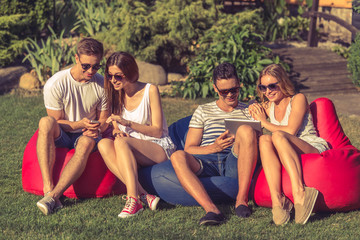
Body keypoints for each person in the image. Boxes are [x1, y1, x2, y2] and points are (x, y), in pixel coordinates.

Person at [170, 62, 258, 226]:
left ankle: (241, 200)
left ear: (240, 85)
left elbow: (256, 144)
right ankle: (212, 210)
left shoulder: (249, 110)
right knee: (177, 156)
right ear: (215, 89)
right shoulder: (203, 110)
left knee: (246, 130)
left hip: (234, 159)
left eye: (234, 89)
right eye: (224, 91)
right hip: (206, 160)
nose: (230, 94)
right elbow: (189, 148)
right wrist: (214, 147)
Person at [97, 51, 176, 218]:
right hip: (131, 146)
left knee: (121, 144)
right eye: (110, 75)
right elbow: (117, 127)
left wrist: (127, 124)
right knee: (103, 144)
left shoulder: (150, 90)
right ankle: (143, 195)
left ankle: (133, 199)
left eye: (118, 76)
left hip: (158, 146)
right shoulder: (115, 93)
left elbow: (157, 130)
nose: (113, 80)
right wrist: (118, 130)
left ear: (131, 72)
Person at [249, 64, 329, 225]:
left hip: (310, 145)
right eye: (263, 87)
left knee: (278, 135)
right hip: (286, 149)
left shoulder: (298, 99)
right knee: (264, 140)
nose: (268, 91)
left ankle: (300, 193)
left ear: (283, 82)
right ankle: (278, 200)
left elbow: (291, 130)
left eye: (272, 86)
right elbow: (253, 114)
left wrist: (264, 122)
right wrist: (252, 106)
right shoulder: (269, 106)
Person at [36, 38, 108, 215]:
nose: (91, 71)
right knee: (45, 122)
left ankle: (53, 197)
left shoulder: (102, 84)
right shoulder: (56, 83)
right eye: (86, 66)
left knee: (85, 142)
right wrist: (77, 124)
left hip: (86, 135)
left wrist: (97, 128)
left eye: (96, 66)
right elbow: (56, 121)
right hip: (64, 133)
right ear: (76, 58)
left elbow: (104, 120)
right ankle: (48, 187)